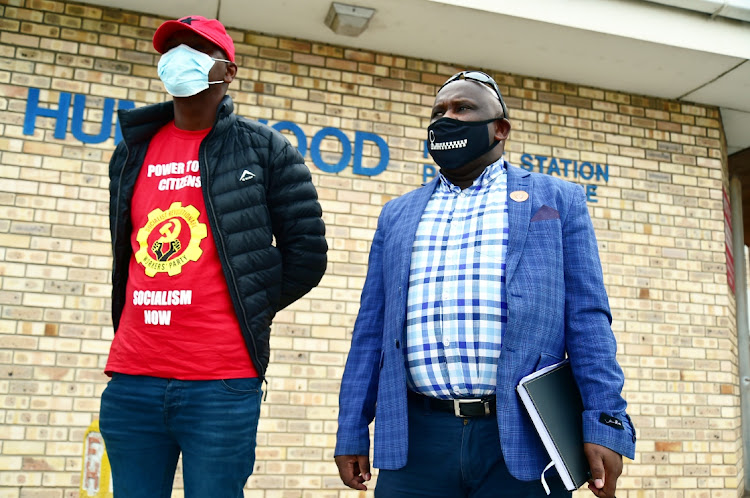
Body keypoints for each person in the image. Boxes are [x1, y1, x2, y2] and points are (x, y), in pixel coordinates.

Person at [334, 71, 635, 498]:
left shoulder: (558, 200)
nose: (445, 119)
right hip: (416, 441)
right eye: (438, 112)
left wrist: (605, 422)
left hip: (524, 439)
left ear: (500, 129)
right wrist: (351, 427)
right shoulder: (397, 214)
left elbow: (588, 320)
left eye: (462, 109)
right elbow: (370, 331)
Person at [100, 15, 327, 498]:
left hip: (221, 383)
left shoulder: (266, 150)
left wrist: (242, 305)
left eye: (197, 49)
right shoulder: (132, 152)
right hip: (133, 379)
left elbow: (306, 254)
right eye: (173, 49)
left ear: (228, 71)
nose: (181, 57)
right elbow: (129, 253)